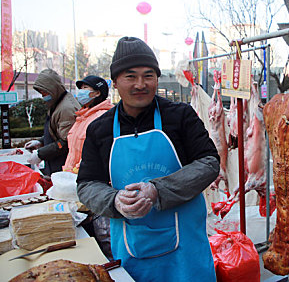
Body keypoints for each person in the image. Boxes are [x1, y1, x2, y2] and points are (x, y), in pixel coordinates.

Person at [77, 37, 219, 282]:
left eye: (148, 75)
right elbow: (87, 184)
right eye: (130, 76)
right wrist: (115, 200)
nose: (140, 84)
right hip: (133, 250)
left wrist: (157, 190)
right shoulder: (99, 130)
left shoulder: (180, 116)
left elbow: (209, 162)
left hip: (187, 254)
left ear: (157, 78)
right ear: (115, 82)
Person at [25, 69, 80, 175]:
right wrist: (40, 142)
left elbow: (66, 142)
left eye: (44, 92)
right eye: (41, 93)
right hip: (54, 161)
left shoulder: (66, 108)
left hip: (63, 164)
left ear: (53, 89)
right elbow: (55, 131)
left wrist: (40, 154)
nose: (43, 96)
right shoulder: (56, 102)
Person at [62, 75, 113, 174]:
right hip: (73, 176)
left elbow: (98, 152)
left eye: (85, 88)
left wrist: (78, 171)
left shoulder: (102, 116)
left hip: (88, 176)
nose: (81, 91)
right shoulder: (82, 117)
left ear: (97, 93)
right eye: (81, 88)